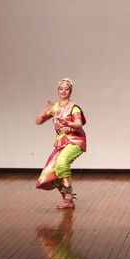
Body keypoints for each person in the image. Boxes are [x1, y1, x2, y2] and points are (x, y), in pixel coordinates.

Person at [35, 78, 87, 209]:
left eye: (66, 89)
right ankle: (68, 200)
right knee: (49, 173)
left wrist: (66, 123)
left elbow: (79, 124)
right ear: (58, 91)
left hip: (75, 141)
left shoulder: (74, 108)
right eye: (61, 89)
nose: (63, 91)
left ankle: (69, 197)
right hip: (61, 143)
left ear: (70, 91)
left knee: (62, 162)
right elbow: (38, 121)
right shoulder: (55, 107)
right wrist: (43, 113)